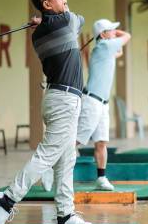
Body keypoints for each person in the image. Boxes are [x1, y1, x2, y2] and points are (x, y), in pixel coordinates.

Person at [0, 0, 93, 224]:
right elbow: (80, 19)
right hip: (64, 100)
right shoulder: (65, 21)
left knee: (67, 158)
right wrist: (45, 18)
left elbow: (61, 20)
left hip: (59, 98)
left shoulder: (38, 33)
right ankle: (7, 200)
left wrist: (41, 21)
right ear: (47, 3)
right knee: (48, 155)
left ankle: (65, 215)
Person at [40, 19, 131, 192]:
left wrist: (108, 33)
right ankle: (48, 168)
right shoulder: (104, 47)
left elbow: (119, 50)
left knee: (101, 142)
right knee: (76, 140)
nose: (114, 32)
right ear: (103, 35)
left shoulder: (106, 49)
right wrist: (113, 34)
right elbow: (127, 36)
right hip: (92, 102)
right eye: (111, 30)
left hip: (103, 103)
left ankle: (101, 178)